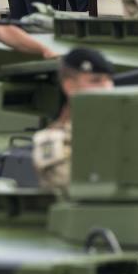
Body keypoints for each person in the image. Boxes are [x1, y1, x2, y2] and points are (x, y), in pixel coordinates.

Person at [32, 48, 114, 192]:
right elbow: (68, 184)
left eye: (109, 80)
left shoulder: (124, 127)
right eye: (96, 81)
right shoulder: (50, 140)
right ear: (70, 86)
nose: (107, 88)